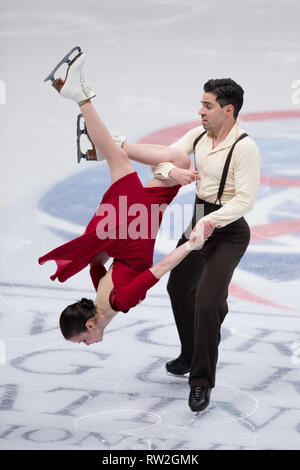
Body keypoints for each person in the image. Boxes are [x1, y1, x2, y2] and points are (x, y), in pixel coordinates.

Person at [38, 49, 215, 358]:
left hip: (133, 230)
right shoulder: (100, 295)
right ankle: (109, 145)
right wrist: (109, 240)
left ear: (90, 326)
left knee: (117, 160)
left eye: (82, 340)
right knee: (178, 160)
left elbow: (159, 269)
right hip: (134, 230)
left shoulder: (120, 302)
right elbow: (96, 263)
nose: (87, 345)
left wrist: (190, 246)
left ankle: (79, 95)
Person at [147, 78, 262, 412]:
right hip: (200, 216)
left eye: (208, 106)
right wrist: (173, 171)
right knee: (178, 288)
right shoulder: (197, 135)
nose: (200, 111)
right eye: (201, 104)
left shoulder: (244, 148)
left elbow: (244, 200)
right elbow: (161, 160)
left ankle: (200, 382)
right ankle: (189, 351)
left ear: (228, 110)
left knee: (207, 303)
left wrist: (210, 223)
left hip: (228, 229)